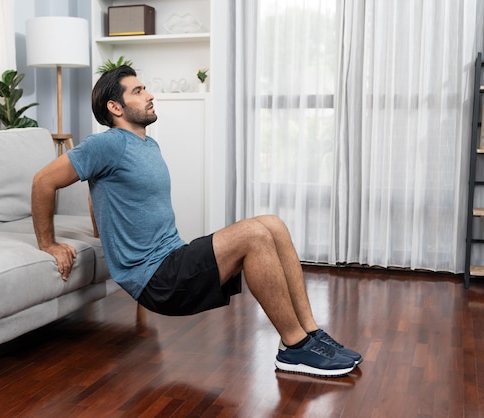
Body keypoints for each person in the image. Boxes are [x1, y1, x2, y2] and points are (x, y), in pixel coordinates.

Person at [31, 65, 362, 377]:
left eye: (145, 88)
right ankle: (294, 347)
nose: (149, 95)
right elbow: (44, 181)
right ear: (115, 107)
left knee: (272, 223)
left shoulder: (147, 144)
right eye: (138, 91)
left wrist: (102, 231)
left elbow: (95, 193)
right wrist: (48, 243)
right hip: (156, 280)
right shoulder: (106, 144)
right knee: (253, 235)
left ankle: (311, 333)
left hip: (173, 259)